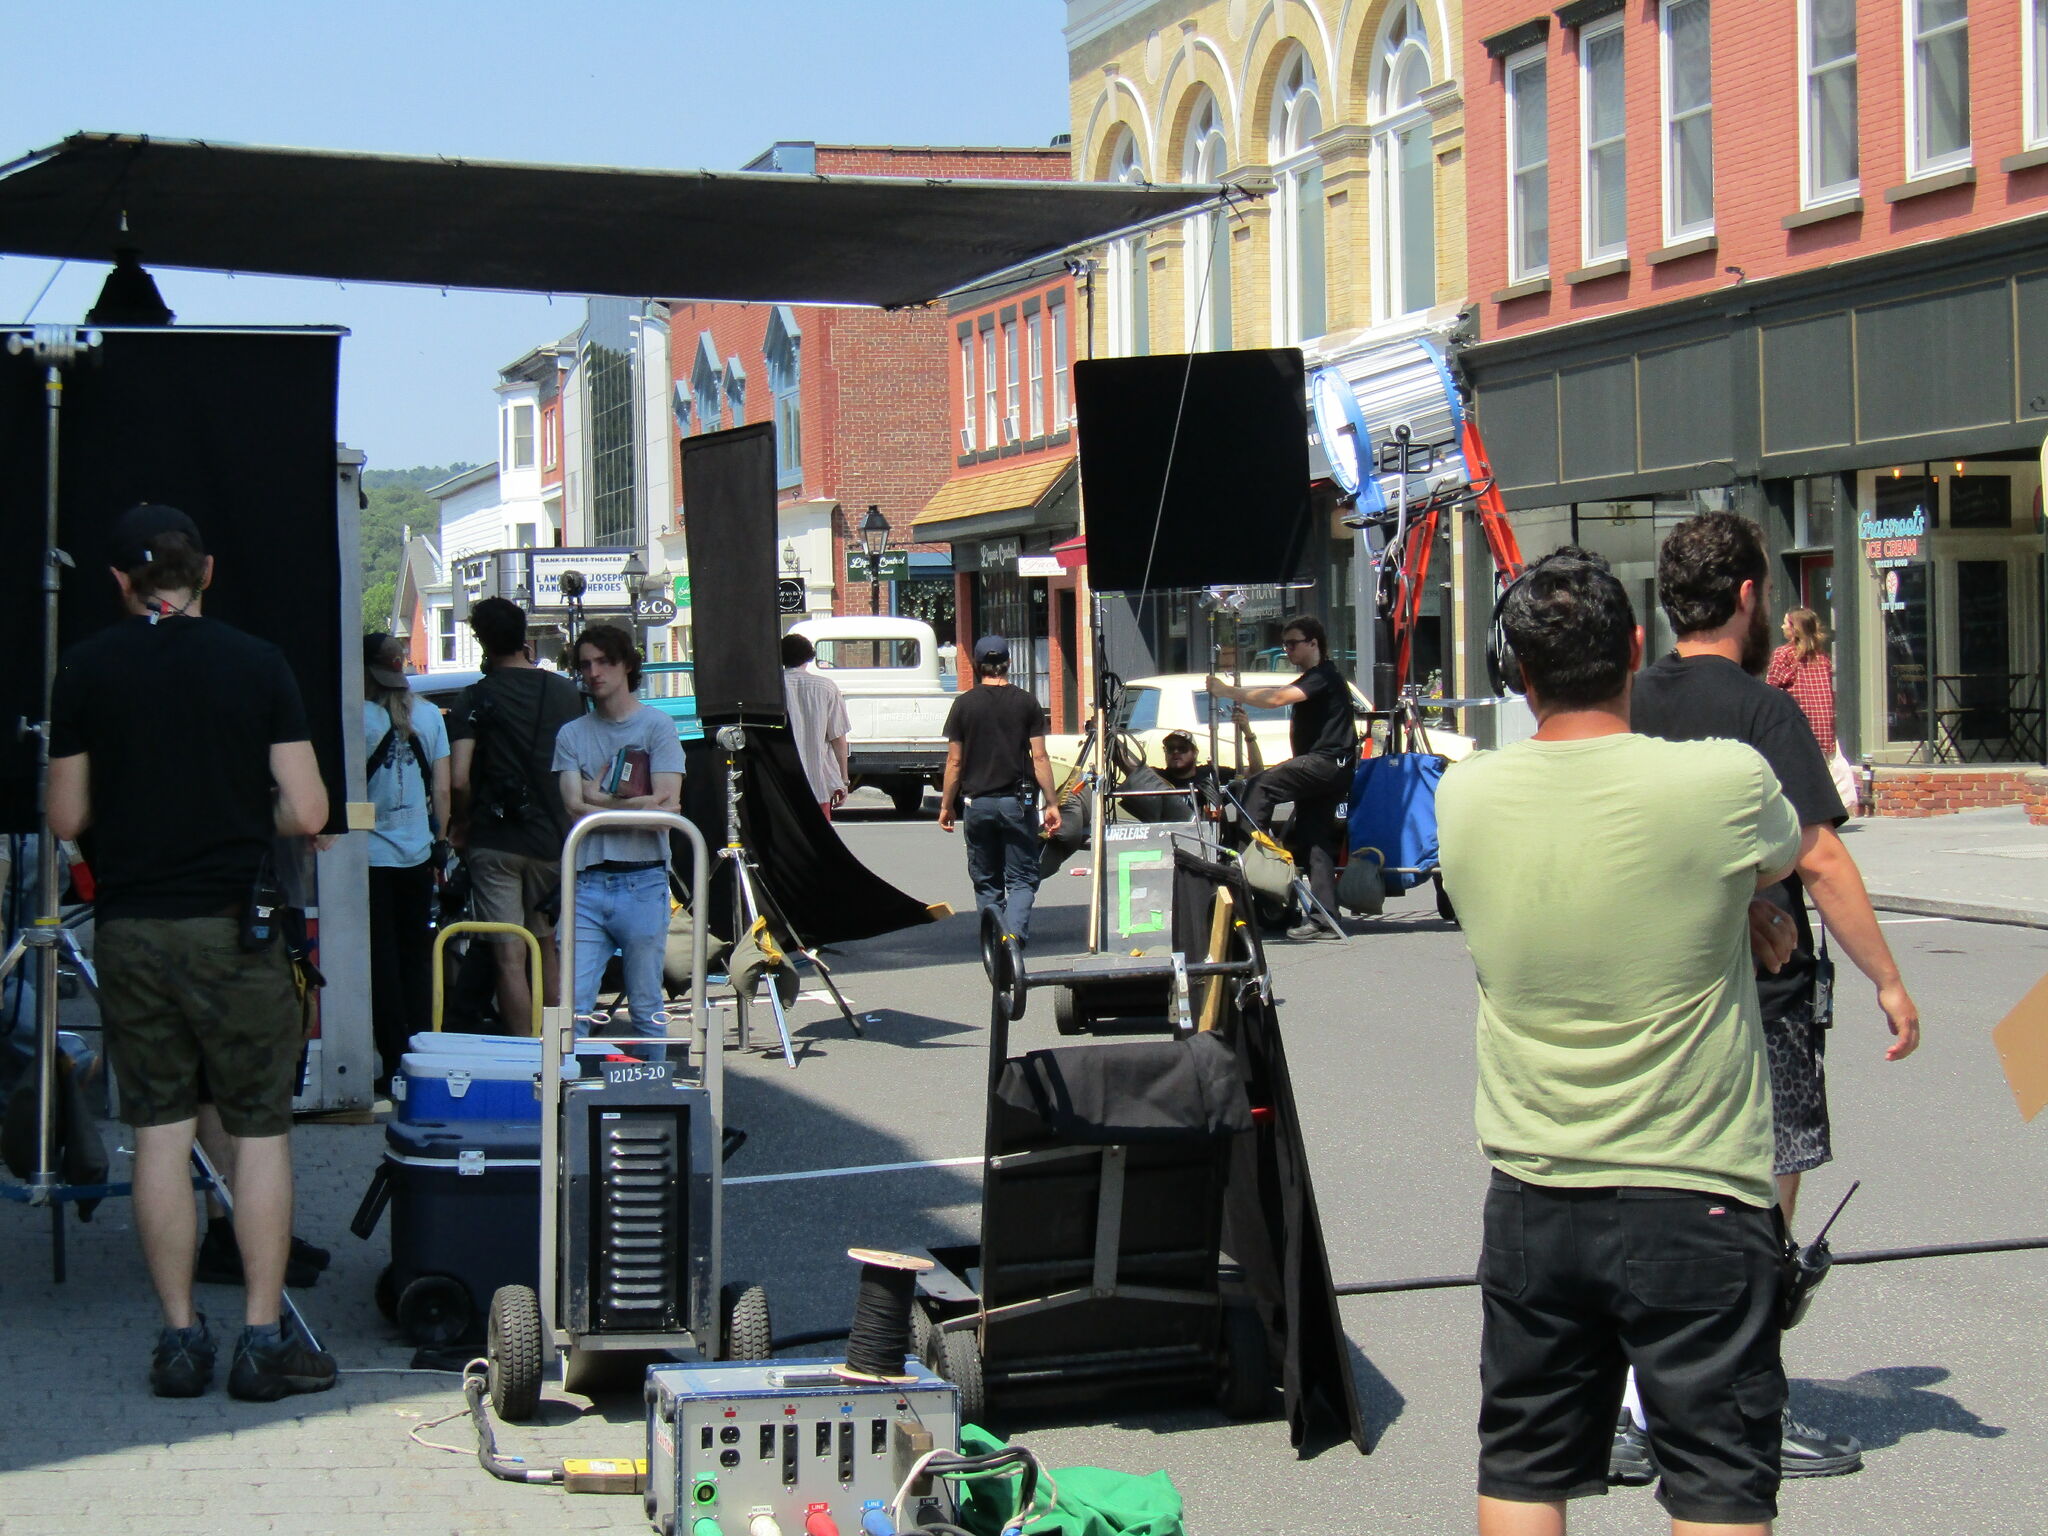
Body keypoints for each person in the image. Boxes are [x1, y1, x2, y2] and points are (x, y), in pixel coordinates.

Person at [1437, 546, 1803, 1536]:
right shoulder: (1723, 780)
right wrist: (1742, 911)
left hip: (1535, 1185)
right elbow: (1776, 857)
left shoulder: (1462, 795)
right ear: (1634, 651)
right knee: (1717, 1478)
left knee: (1521, 1463)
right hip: (1695, 1188)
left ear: (1516, 674)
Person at [1630, 511, 1921, 1479]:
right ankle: (1745, 1405)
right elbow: (1820, 857)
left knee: (1659, 1196)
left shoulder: (1626, 703)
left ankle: (1638, 1407)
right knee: (1761, 1199)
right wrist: (1887, 979)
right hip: (1762, 998)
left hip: (1652, 990)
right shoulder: (1760, 710)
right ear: (1747, 595)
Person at [47, 503, 336, 1400]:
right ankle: (260, 1340)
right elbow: (310, 811)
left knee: (160, 1137)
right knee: (257, 1136)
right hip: (235, 926)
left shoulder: (86, 668)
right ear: (206, 571)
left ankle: (180, 1342)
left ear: (120, 584)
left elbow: (65, 818)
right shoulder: (256, 664)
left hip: (133, 930)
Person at [448, 597, 586, 1032]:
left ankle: (524, 1057)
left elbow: (458, 777)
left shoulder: (473, 696)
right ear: (523, 635)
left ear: (481, 640)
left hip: (495, 838)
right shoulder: (564, 692)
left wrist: (462, 821)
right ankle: (554, 1046)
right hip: (553, 836)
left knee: (509, 956)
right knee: (546, 945)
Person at [552, 623, 685, 1049]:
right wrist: (635, 804)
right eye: (586, 664)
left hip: (643, 879)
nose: (594, 673)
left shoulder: (657, 726)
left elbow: (664, 813)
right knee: (574, 1007)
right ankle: (568, 1099)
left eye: (604, 662)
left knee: (647, 1005)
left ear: (627, 665)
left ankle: (657, 1093)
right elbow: (574, 809)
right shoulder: (572, 733)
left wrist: (599, 797)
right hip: (587, 880)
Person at [1205, 615, 1356, 939]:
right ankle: (1325, 918)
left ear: (1313, 643)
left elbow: (1275, 699)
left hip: (1326, 763)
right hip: (1330, 768)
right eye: (1284, 643)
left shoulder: (1322, 676)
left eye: (1293, 643)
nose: (1287, 649)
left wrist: (1226, 690)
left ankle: (1251, 860)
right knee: (1316, 842)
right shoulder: (1316, 678)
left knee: (1260, 786)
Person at [361, 634, 450, 1091]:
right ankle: (420, 1054)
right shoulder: (431, 715)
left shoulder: (356, 718)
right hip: (418, 855)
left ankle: (392, 1058)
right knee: (416, 959)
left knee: (381, 964)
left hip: (370, 859)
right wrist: (440, 841)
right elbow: (443, 790)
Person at [938, 635, 1060, 947]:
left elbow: (954, 761)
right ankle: (1014, 935)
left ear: (977, 666)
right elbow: (1040, 757)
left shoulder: (963, 705)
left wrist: (946, 805)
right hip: (1017, 803)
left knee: (986, 880)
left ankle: (995, 938)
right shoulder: (1026, 702)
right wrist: (1052, 802)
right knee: (1021, 878)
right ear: (1008, 663)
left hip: (977, 803)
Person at [1766, 608, 1857, 814]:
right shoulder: (1822, 657)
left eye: (1785, 623)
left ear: (1794, 630)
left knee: (1796, 773)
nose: (1781, 627)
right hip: (1824, 726)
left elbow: (1771, 688)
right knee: (1826, 769)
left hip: (1797, 724)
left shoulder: (1784, 654)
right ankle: (1833, 808)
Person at [781, 632, 852, 817]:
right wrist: (843, 779)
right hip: (818, 780)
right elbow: (838, 738)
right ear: (809, 656)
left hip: (781, 780)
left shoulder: (773, 687)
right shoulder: (826, 686)